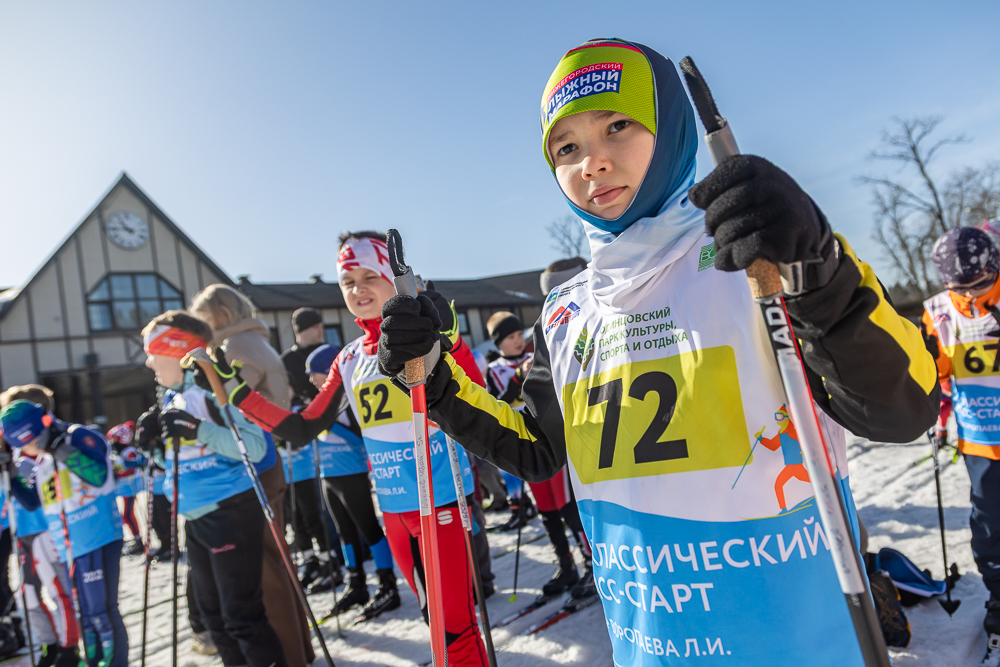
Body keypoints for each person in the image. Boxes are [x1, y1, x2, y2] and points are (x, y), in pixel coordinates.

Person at [375, 38, 939, 666]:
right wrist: (433, 378)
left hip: (801, 642)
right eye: (567, 148)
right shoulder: (565, 313)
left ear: (672, 129)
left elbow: (903, 408)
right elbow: (533, 448)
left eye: (618, 126)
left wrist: (817, 269)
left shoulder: (759, 252)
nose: (593, 162)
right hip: (654, 646)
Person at [197, 231, 490, 666]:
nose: (358, 289)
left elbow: (480, 397)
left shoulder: (426, 335)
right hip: (394, 508)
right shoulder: (350, 357)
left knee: (455, 628)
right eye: (347, 282)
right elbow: (302, 427)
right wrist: (238, 393)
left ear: (395, 277)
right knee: (434, 618)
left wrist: (451, 340)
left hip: (442, 501)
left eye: (369, 276)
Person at [141, 310, 286, 667]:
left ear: (178, 349)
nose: (148, 362)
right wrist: (154, 448)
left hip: (229, 509)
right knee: (214, 619)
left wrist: (198, 430)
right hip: (196, 516)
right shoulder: (172, 397)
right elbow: (179, 461)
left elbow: (255, 448)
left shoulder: (214, 386)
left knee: (241, 616)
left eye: (153, 351)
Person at [190, 284, 312, 667]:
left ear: (221, 315)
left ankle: (285, 655)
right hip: (268, 458)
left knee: (258, 570)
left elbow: (229, 406)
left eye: (204, 319)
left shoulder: (234, 349)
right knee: (273, 560)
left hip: (252, 463)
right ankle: (297, 648)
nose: (200, 328)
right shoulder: (257, 342)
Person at [0, 399, 128, 667]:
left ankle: (115, 663)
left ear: (33, 432)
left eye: (24, 442)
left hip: (97, 537)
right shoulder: (42, 459)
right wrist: (11, 475)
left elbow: (99, 476)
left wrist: (62, 450)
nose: (23, 450)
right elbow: (34, 501)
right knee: (86, 613)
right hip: (70, 547)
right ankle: (95, 661)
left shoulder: (76, 436)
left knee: (102, 611)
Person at [923, 227, 1000, 645]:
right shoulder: (938, 313)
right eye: (961, 288)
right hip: (983, 441)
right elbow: (940, 378)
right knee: (989, 528)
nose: (971, 296)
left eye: (981, 285)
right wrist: (936, 420)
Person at [486, 309, 593, 597]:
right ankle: (565, 564)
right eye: (510, 337)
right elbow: (497, 403)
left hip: (551, 441)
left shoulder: (536, 355)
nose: (518, 341)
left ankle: (591, 563)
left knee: (567, 506)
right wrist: (515, 381)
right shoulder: (495, 369)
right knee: (547, 511)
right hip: (524, 444)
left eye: (520, 334)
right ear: (498, 342)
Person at [295, 343, 401, 616]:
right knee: (345, 533)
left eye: (314, 372)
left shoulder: (351, 402)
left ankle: (388, 584)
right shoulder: (321, 404)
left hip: (351, 474)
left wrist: (334, 426)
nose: (311, 379)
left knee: (368, 528)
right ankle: (356, 584)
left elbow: (362, 438)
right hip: (329, 477)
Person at [0, 385, 80, 667]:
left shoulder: (51, 451)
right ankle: (50, 645)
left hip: (50, 530)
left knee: (60, 591)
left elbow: (37, 497)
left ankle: (70, 648)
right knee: (28, 596)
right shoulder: (15, 452)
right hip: (23, 531)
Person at [105, 422, 146, 556]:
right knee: (125, 515)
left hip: (130, 487)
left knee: (127, 514)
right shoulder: (118, 453)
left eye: (114, 440)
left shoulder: (129, 452)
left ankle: (138, 539)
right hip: (123, 488)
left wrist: (119, 471)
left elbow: (132, 468)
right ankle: (135, 538)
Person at [282, 308, 328, 407]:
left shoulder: (328, 352)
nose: (321, 331)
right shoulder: (286, 360)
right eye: (316, 327)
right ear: (302, 330)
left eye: (321, 326)